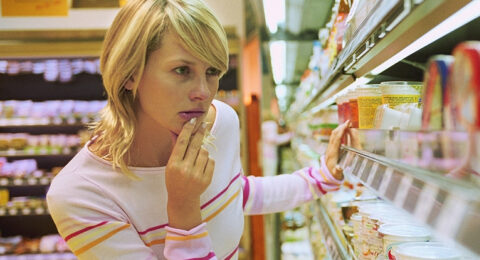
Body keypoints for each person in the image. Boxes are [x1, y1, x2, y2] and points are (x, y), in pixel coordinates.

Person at [45, 0, 353, 259]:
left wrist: (322, 178)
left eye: (212, 72)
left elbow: (235, 196)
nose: (204, 92)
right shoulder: (80, 195)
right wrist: (183, 210)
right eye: (182, 70)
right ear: (129, 73)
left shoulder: (222, 123)